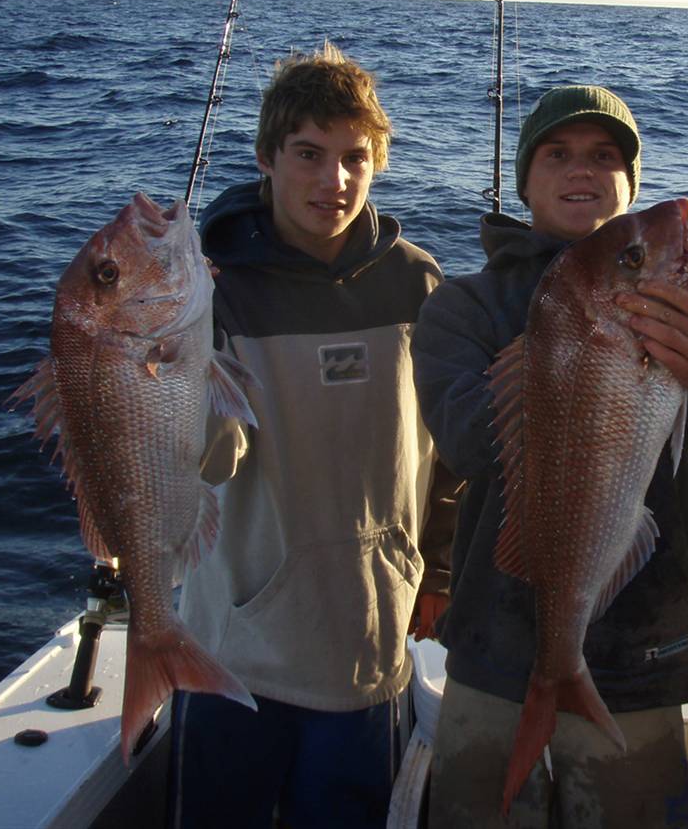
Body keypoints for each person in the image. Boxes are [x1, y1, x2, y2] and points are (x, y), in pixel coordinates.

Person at [411, 85, 688, 828]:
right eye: (557, 154)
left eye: (605, 156)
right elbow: (466, 443)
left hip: (645, 651)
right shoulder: (465, 305)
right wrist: (571, 363)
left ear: (629, 183)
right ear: (525, 181)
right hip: (492, 647)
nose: (581, 169)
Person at [169, 42, 461, 829]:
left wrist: (436, 570)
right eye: (308, 154)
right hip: (232, 648)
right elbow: (205, 459)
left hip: (369, 644)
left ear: (378, 164)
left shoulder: (420, 282)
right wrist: (173, 349)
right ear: (266, 158)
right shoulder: (209, 286)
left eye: (354, 158)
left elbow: (449, 454)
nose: (333, 180)